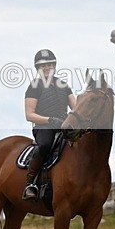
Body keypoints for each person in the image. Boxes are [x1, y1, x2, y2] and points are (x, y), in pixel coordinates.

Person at [22, 49, 75, 201]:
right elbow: (29, 114)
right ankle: (30, 183)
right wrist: (50, 120)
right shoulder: (34, 86)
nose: (46, 67)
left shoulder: (63, 85)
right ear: (38, 68)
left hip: (64, 126)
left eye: (49, 64)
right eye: (42, 65)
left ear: (54, 65)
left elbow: (76, 107)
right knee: (45, 145)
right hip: (43, 127)